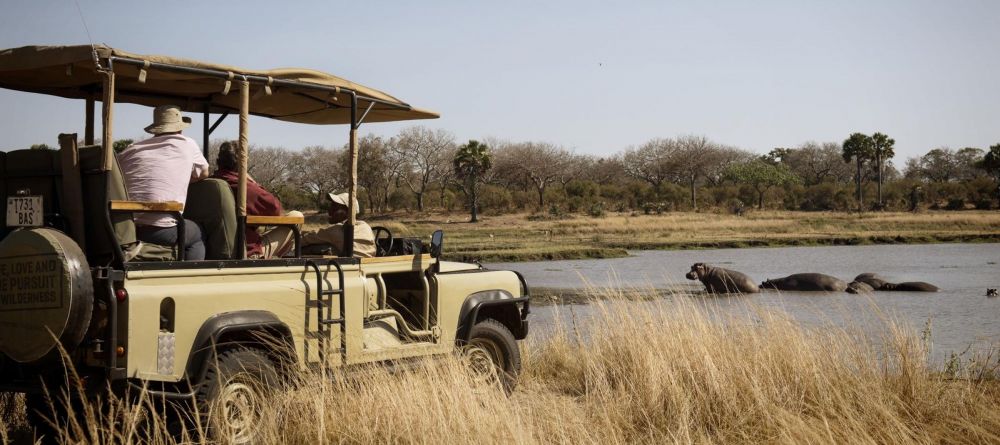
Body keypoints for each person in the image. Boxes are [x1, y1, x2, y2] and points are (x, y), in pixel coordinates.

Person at [118, 105, 209, 260]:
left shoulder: (132, 149)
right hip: (160, 229)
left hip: (125, 227)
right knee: (197, 233)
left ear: (156, 129)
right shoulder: (187, 144)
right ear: (180, 128)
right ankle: (189, 277)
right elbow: (204, 173)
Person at [211, 141, 301, 259]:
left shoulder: (211, 182)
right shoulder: (243, 186)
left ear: (219, 161)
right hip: (245, 251)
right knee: (296, 216)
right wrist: (252, 181)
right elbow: (276, 209)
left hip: (213, 248)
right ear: (242, 162)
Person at [301, 192, 376, 258]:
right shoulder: (366, 226)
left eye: (335, 207)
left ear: (348, 211)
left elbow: (305, 238)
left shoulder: (338, 230)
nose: (329, 210)